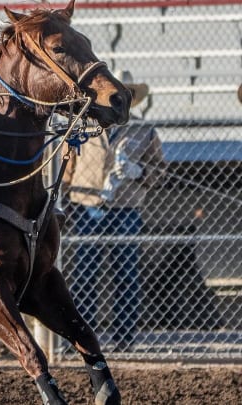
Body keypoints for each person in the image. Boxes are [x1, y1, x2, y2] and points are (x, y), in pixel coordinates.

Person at [62, 70, 166, 349]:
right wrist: (65, 199)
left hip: (126, 208)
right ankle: (85, 338)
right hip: (87, 206)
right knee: (85, 273)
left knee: (126, 274)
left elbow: (160, 171)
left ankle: (124, 339)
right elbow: (68, 167)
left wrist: (139, 171)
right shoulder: (83, 126)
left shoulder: (145, 130)